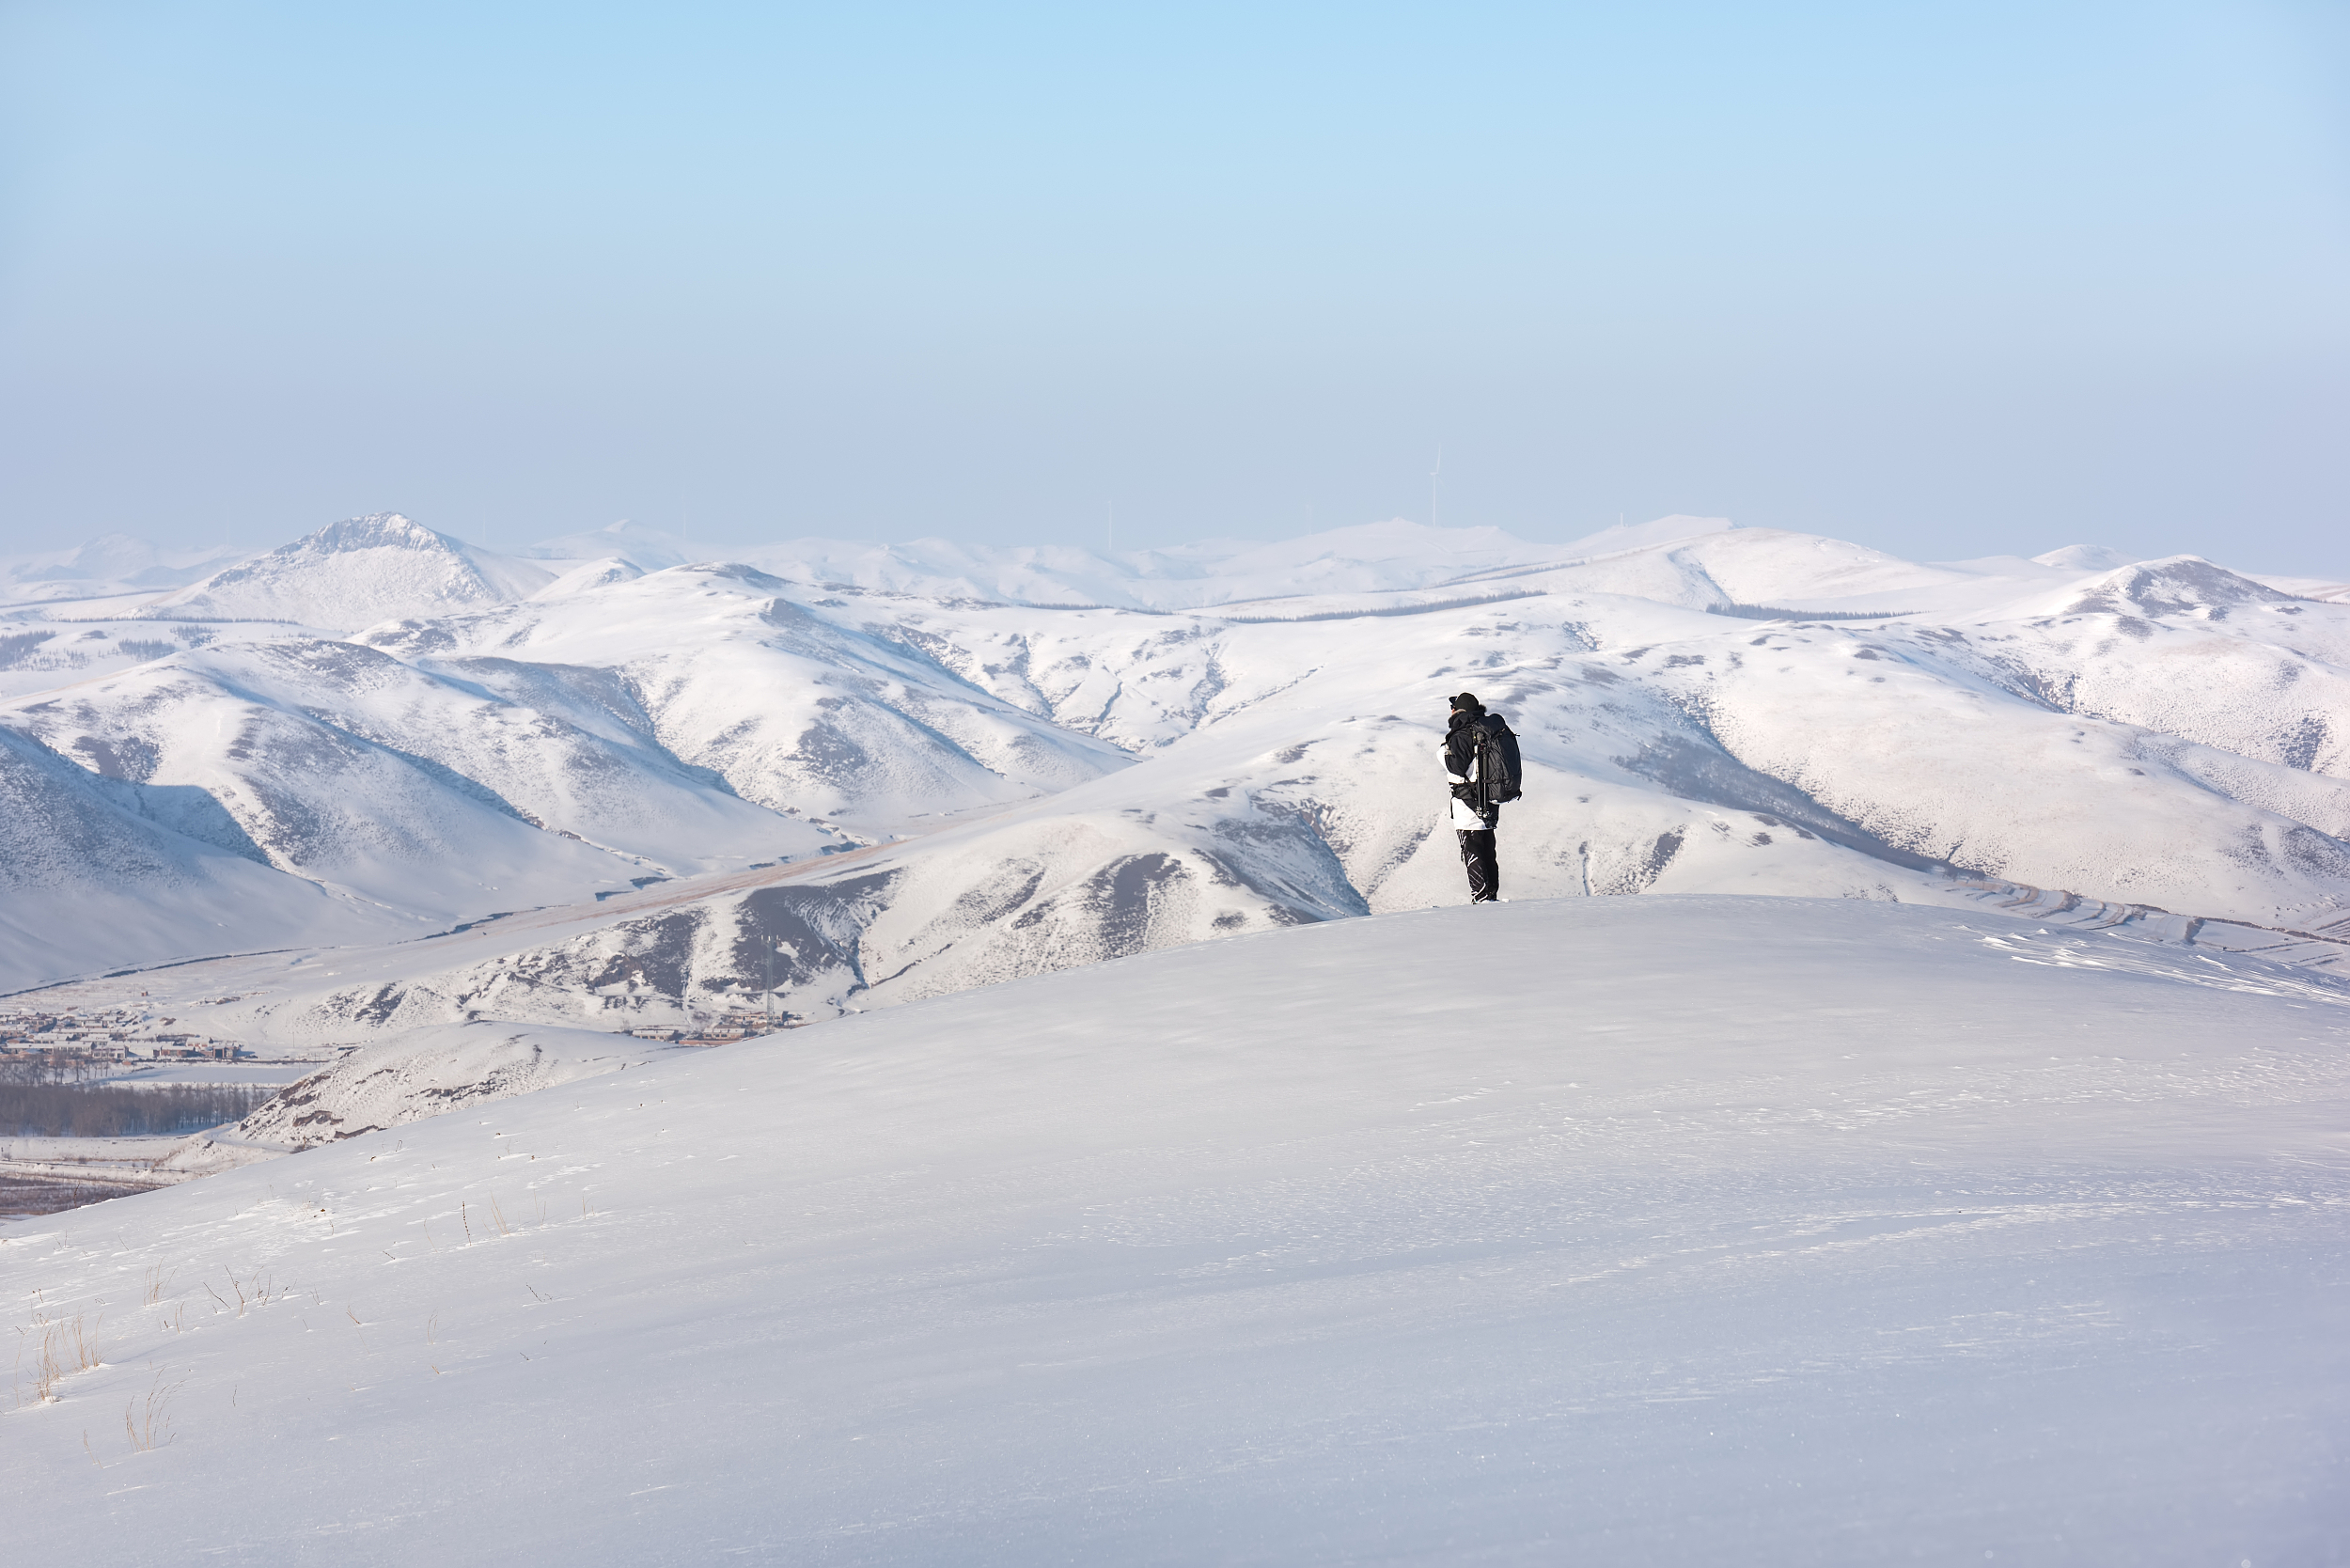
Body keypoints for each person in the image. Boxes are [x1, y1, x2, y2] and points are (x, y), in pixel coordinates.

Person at [1440, 691, 1513, 902]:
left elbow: (1456, 768)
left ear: (1457, 710)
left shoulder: (1462, 733)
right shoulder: (1485, 729)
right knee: (1488, 851)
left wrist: (1443, 753)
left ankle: (1481, 899)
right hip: (1489, 799)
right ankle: (1491, 895)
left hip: (1468, 803)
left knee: (1473, 852)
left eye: (1453, 708)